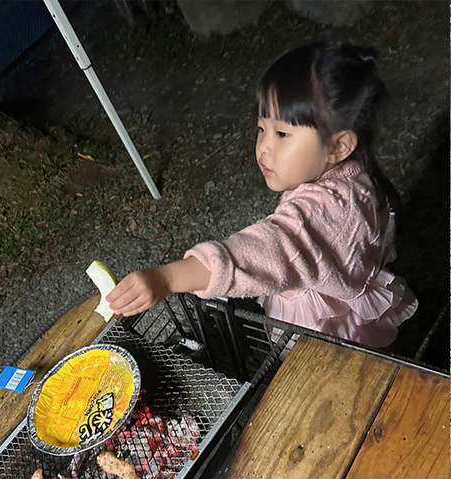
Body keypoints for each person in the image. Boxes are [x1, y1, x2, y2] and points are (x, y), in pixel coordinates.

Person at [106, 41, 417, 349]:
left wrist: (167, 279)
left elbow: (263, 249)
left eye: (282, 134)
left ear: (338, 146)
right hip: (346, 306)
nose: (264, 148)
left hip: (324, 338)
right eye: (260, 128)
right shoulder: (355, 175)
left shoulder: (319, 213)